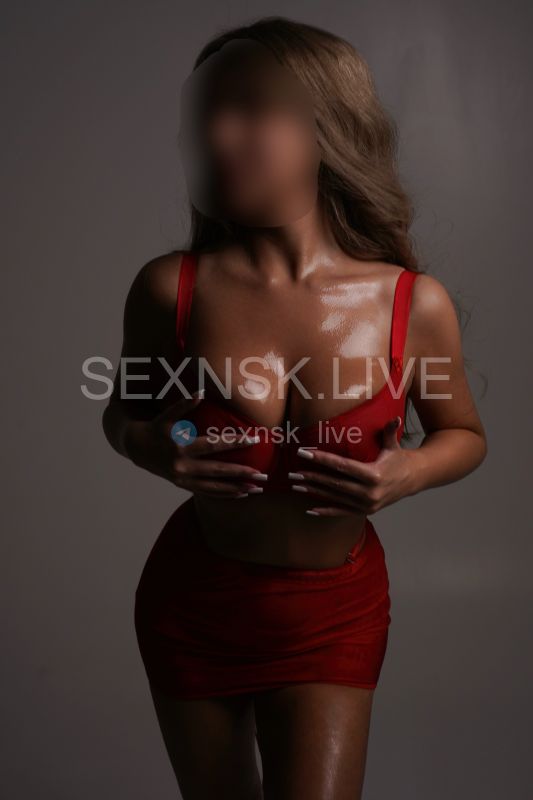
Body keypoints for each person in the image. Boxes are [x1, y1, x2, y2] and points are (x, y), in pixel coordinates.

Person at [102, 17, 487, 800]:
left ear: (325, 130)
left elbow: (463, 434)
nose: (218, 134)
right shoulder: (170, 290)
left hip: (332, 612)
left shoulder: (409, 305)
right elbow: (123, 416)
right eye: (209, 112)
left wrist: (409, 471)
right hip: (194, 604)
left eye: (249, 108)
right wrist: (155, 445)